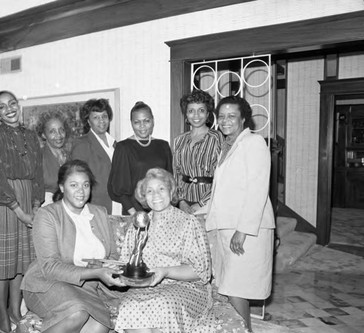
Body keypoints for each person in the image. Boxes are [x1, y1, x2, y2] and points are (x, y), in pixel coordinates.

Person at [21, 159, 125, 333]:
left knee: (100, 326)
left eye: (85, 185)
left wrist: (105, 265)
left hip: (88, 287)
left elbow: (112, 255)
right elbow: (50, 267)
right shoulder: (47, 215)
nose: (81, 192)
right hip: (48, 283)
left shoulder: (99, 213)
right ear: (62, 187)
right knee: (77, 314)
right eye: (74, 185)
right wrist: (95, 272)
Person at [0, 90, 44, 333]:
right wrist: (20, 211)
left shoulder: (32, 137)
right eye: (2, 107)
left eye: (12, 103)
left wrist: (35, 206)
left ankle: (16, 310)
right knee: (2, 263)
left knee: (20, 261)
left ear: (18, 105)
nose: (9, 109)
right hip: (3, 204)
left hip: (26, 199)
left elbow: (38, 174)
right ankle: (2, 313)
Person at [115, 168, 214, 333]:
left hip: (186, 287)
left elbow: (201, 271)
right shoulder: (139, 224)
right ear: (144, 196)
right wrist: (117, 270)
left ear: (171, 190)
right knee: (129, 307)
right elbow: (126, 262)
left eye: (161, 188)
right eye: (150, 191)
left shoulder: (188, 222)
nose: (156, 195)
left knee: (163, 305)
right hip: (144, 287)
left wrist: (165, 271)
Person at [206, 96, 275, 331]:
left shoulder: (254, 143)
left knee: (236, 288)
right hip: (227, 228)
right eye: (222, 116)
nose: (225, 121)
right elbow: (225, 192)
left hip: (246, 230)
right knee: (231, 287)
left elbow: (257, 189)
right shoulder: (227, 146)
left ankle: (244, 330)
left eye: (231, 116)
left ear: (243, 119)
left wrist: (242, 231)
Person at [108, 101, 172, 215]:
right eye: (137, 122)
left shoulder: (163, 146)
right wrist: (134, 213)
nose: (142, 126)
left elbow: (169, 183)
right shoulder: (123, 147)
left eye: (146, 121)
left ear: (153, 121)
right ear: (131, 123)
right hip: (135, 212)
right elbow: (119, 188)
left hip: (162, 209)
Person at [173, 90, 223, 215]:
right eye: (191, 111)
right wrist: (181, 201)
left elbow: (222, 178)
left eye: (201, 110)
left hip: (209, 203)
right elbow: (177, 175)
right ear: (186, 114)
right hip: (183, 203)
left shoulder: (217, 138)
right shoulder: (179, 140)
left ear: (207, 114)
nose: (196, 115)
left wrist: (200, 204)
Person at [71, 98, 121, 214]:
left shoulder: (116, 145)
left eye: (104, 116)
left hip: (118, 204)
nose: (101, 121)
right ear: (88, 121)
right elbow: (77, 179)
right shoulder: (82, 144)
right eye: (96, 117)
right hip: (95, 206)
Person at [35, 109, 71, 206]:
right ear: (43, 135)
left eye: (61, 130)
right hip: (46, 208)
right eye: (52, 131)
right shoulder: (38, 157)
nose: (59, 135)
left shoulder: (71, 156)